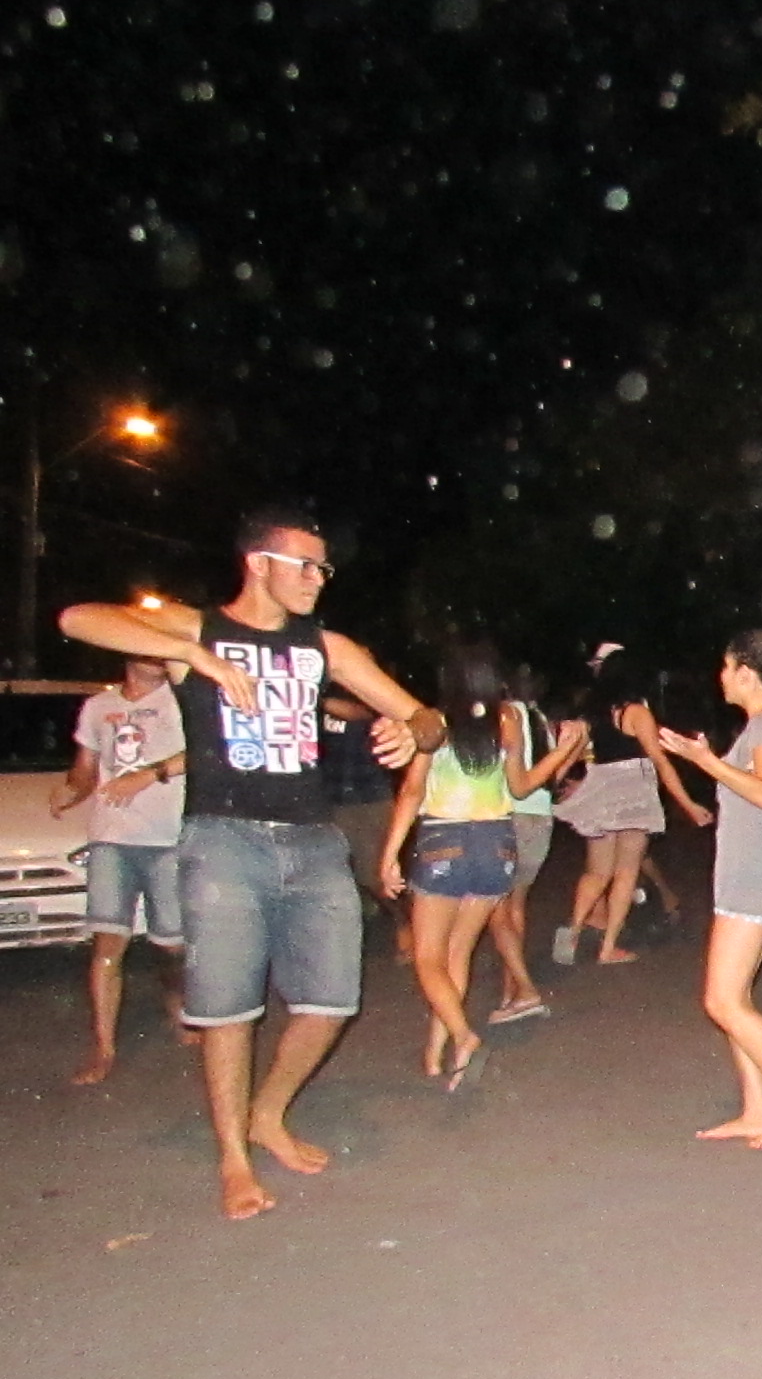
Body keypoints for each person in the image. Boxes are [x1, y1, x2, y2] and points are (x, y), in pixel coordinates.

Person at [59, 508, 444, 1220]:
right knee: (229, 1008)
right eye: (306, 565)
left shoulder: (325, 646)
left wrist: (409, 730)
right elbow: (79, 618)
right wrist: (198, 657)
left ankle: (268, 1113)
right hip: (222, 840)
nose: (318, 579)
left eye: (324, 568)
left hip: (312, 838)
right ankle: (233, 1158)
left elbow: (429, 719)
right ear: (258, 563)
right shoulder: (199, 629)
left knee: (332, 1001)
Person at [377, 644, 574, 1090]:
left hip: (444, 840)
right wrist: (561, 753)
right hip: (497, 844)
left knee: (428, 957)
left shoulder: (435, 722)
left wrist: (390, 853)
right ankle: (436, 1056)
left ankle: (464, 1038)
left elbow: (412, 791)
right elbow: (521, 787)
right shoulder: (507, 721)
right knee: (457, 955)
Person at [657, 631, 762, 1148]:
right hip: (749, 874)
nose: (721, 677)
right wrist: (708, 760)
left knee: (722, 1000)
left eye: (727, 668)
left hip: (758, 876)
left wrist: (705, 761)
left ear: (747, 673)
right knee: (735, 996)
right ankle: (755, 1110)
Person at [50, 656, 190, 1085]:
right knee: (108, 944)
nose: (157, 656)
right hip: (112, 838)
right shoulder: (99, 706)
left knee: (173, 944)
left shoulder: (182, 699)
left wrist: (149, 775)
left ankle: (177, 1002)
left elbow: (207, 753)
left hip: (168, 838)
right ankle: (104, 1047)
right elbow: (87, 768)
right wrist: (71, 791)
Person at [552, 646, 712, 966]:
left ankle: (573, 930)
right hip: (634, 790)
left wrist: (555, 783)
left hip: (602, 786)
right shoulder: (636, 712)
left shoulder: (593, 714)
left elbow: (575, 753)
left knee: (597, 872)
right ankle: (608, 947)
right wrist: (688, 804)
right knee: (626, 871)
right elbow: (660, 762)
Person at [485, 668, 585, 1024]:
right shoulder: (540, 719)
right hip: (539, 819)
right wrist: (570, 750)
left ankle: (523, 989)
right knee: (514, 907)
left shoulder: (507, 715)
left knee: (496, 910)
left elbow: (515, 782)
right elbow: (551, 777)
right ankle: (510, 992)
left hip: (510, 816)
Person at [323, 692, 414, 964]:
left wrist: (314, 698)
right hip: (332, 797)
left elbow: (360, 713)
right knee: (334, 874)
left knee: (377, 876)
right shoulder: (324, 692)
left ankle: (405, 923)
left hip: (370, 798)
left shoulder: (367, 695)